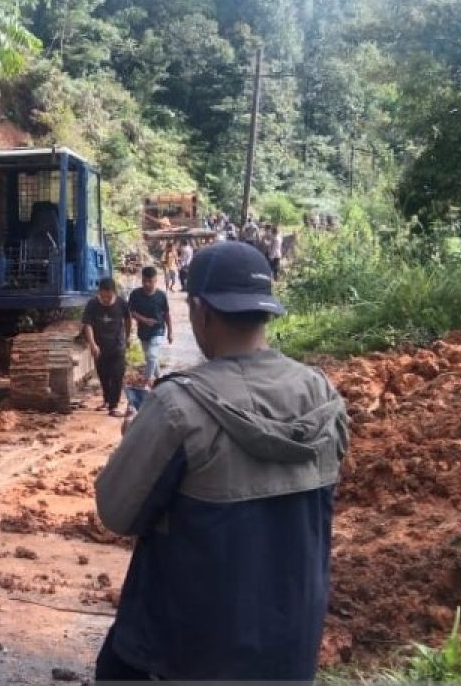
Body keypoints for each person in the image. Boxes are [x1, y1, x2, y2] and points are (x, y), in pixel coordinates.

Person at [92, 242, 348, 682]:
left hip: (185, 655)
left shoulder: (178, 406)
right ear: (266, 310)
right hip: (288, 650)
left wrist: (138, 436)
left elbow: (116, 512)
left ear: (200, 311)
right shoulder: (322, 396)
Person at [81, 278, 132, 416]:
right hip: (100, 346)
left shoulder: (122, 303)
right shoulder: (92, 305)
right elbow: (88, 325)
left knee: (117, 375)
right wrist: (92, 344)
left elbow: (128, 319)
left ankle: (113, 406)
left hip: (117, 345)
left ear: (114, 292)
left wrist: (127, 337)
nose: (106, 299)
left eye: (108, 296)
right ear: (99, 293)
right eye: (103, 296)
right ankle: (107, 399)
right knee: (104, 376)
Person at [127, 266, 172, 388]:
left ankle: (145, 383)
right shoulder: (135, 294)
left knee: (152, 356)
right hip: (143, 332)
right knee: (151, 358)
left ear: (155, 280)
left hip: (158, 330)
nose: (146, 284)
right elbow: (131, 312)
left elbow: (167, 314)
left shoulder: (161, 296)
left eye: (150, 281)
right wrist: (144, 320)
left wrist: (170, 333)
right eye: (144, 281)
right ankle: (160, 380)